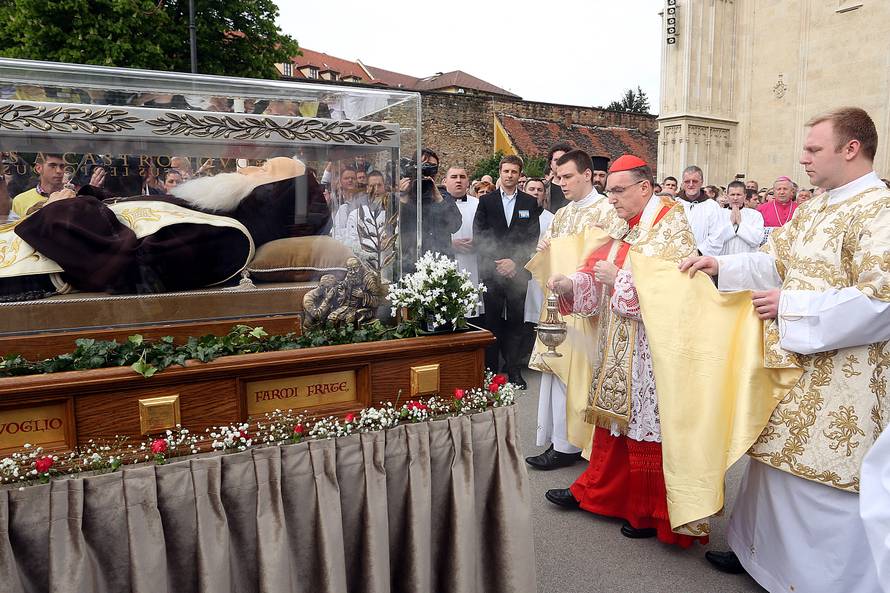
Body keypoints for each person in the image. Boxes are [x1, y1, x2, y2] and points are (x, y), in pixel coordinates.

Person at [680, 107, 889, 592]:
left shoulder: (878, 209)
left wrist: (792, 307)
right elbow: (774, 261)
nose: (804, 158)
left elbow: (881, 299)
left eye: (814, 149)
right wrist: (721, 266)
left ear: (851, 149)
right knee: (773, 461)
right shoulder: (817, 205)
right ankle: (761, 558)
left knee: (823, 475)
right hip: (794, 365)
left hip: (846, 375)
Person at [543, 155, 704, 548]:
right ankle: (598, 492)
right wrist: (571, 284)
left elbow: (678, 289)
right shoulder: (619, 222)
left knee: (646, 423)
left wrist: (622, 281)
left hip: (653, 344)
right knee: (616, 420)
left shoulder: (672, 224)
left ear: (644, 188)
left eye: (618, 190)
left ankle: (649, 513)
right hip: (618, 334)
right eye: (608, 188)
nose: (610, 198)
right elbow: (597, 270)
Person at [525, 150, 617, 471]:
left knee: (577, 374)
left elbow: (605, 257)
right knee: (554, 371)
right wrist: (544, 250)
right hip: (559, 305)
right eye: (557, 177)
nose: (560, 183)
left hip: (587, 308)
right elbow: (550, 248)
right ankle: (556, 438)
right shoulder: (562, 214)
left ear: (588, 175)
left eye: (567, 177)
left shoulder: (607, 210)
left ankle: (570, 444)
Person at [473, 154, 541, 389]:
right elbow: (479, 235)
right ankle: (491, 371)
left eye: (514, 172)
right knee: (491, 322)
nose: (509, 175)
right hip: (492, 272)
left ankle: (513, 371)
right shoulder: (487, 201)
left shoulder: (529, 203)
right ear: (500, 173)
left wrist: (515, 262)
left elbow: (532, 237)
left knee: (516, 322)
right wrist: (497, 262)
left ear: (520, 174)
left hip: (518, 273)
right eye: (506, 171)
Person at [398, 148, 462, 272]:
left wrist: (438, 198)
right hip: (410, 263)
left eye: (433, 167)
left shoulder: (443, 196)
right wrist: (403, 197)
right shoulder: (403, 196)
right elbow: (392, 228)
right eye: (423, 166)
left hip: (440, 264)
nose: (427, 172)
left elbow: (455, 225)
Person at [447, 165, 482, 318]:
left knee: (471, 310)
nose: (458, 181)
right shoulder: (437, 205)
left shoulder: (479, 204)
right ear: (445, 181)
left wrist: (478, 242)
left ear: (468, 182)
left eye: (462, 177)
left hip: (472, 262)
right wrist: (450, 245)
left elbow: (487, 232)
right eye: (454, 177)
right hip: (446, 262)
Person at [675, 165, 726, 256]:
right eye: (687, 181)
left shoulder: (712, 206)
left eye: (695, 181)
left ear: (701, 182)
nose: (691, 185)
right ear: (682, 183)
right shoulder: (674, 204)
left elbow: (717, 235)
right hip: (676, 257)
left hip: (701, 259)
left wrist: (698, 253)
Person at [11, 153, 66, 218]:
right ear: (39, 168)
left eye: (62, 166)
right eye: (52, 166)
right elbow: (13, 227)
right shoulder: (19, 201)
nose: (59, 171)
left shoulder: (72, 198)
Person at [719, 180, 765, 254]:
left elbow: (757, 240)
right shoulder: (718, 214)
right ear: (727, 196)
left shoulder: (755, 215)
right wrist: (731, 224)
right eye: (732, 194)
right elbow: (715, 240)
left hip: (747, 260)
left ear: (745, 196)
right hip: (723, 259)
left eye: (738, 194)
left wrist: (740, 223)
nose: (735, 198)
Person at [544, 142, 573, 213]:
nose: (559, 162)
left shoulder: (577, 188)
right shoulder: (543, 188)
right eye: (556, 160)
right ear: (550, 164)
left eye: (563, 159)